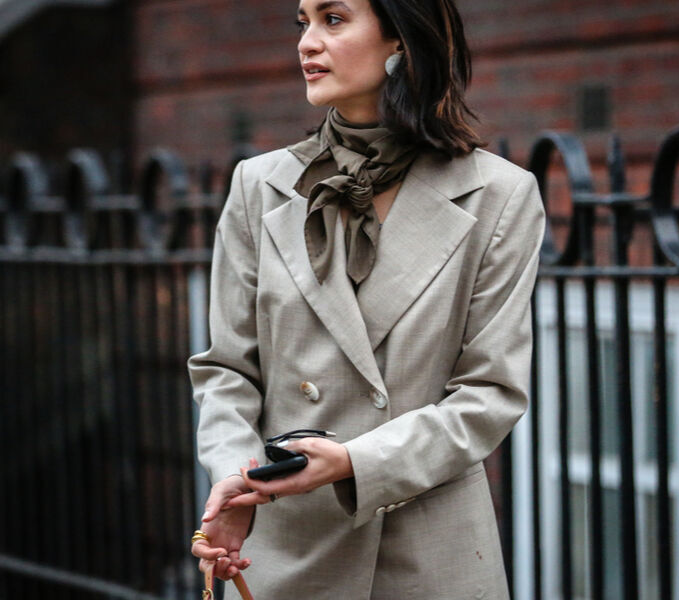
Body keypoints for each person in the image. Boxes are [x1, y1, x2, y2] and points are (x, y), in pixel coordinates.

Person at [188, 0, 545, 597]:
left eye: (333, 19)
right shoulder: (259, 185)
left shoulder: (499, 196)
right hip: (285, 549)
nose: (306, 42)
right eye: (303, 22)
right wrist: (236, 478)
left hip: (429, 555)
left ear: (399, 38)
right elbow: (228, 369)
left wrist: (357, 463)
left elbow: (490, 393)